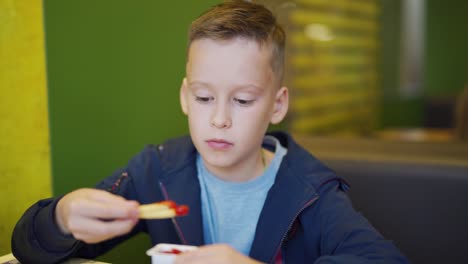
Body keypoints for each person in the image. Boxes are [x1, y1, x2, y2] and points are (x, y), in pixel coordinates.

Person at [12, 1, 408, 263]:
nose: (219, 119)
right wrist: (61, 219)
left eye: (243, 100)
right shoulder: (156, 172)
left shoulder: (312, 191)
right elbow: (29, 245)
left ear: (277, 105)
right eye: (204, 98)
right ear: (185, 96)